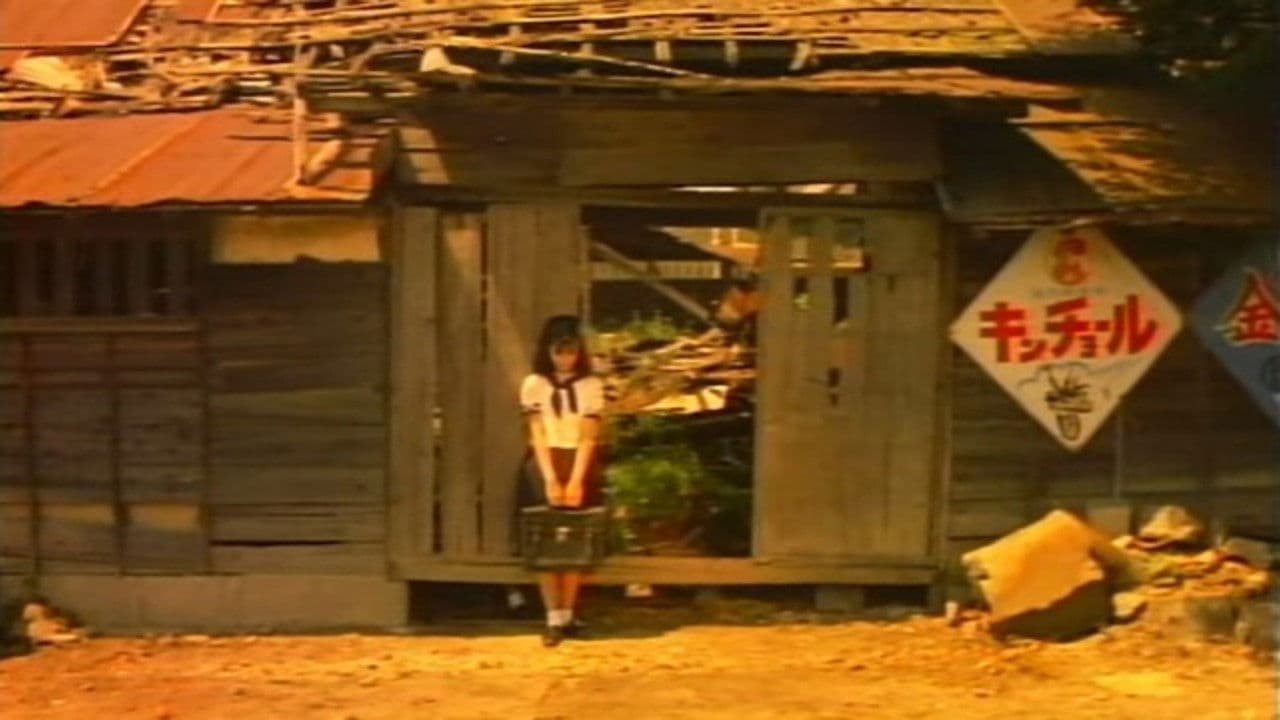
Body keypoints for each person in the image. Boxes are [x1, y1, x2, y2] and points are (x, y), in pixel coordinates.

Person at [518, 314, 606, 648]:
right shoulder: (534, 384)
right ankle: (552, 616)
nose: (565, 359)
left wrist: (576, 480)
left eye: (571, 352)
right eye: (559, 352)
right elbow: (537, 433)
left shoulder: (591, 386)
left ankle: (569, 612)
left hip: (579, 461)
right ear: (548, 351)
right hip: (544, 462)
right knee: (545, 539)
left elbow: (589, 436)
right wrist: (550, 478)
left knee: (575, 539)